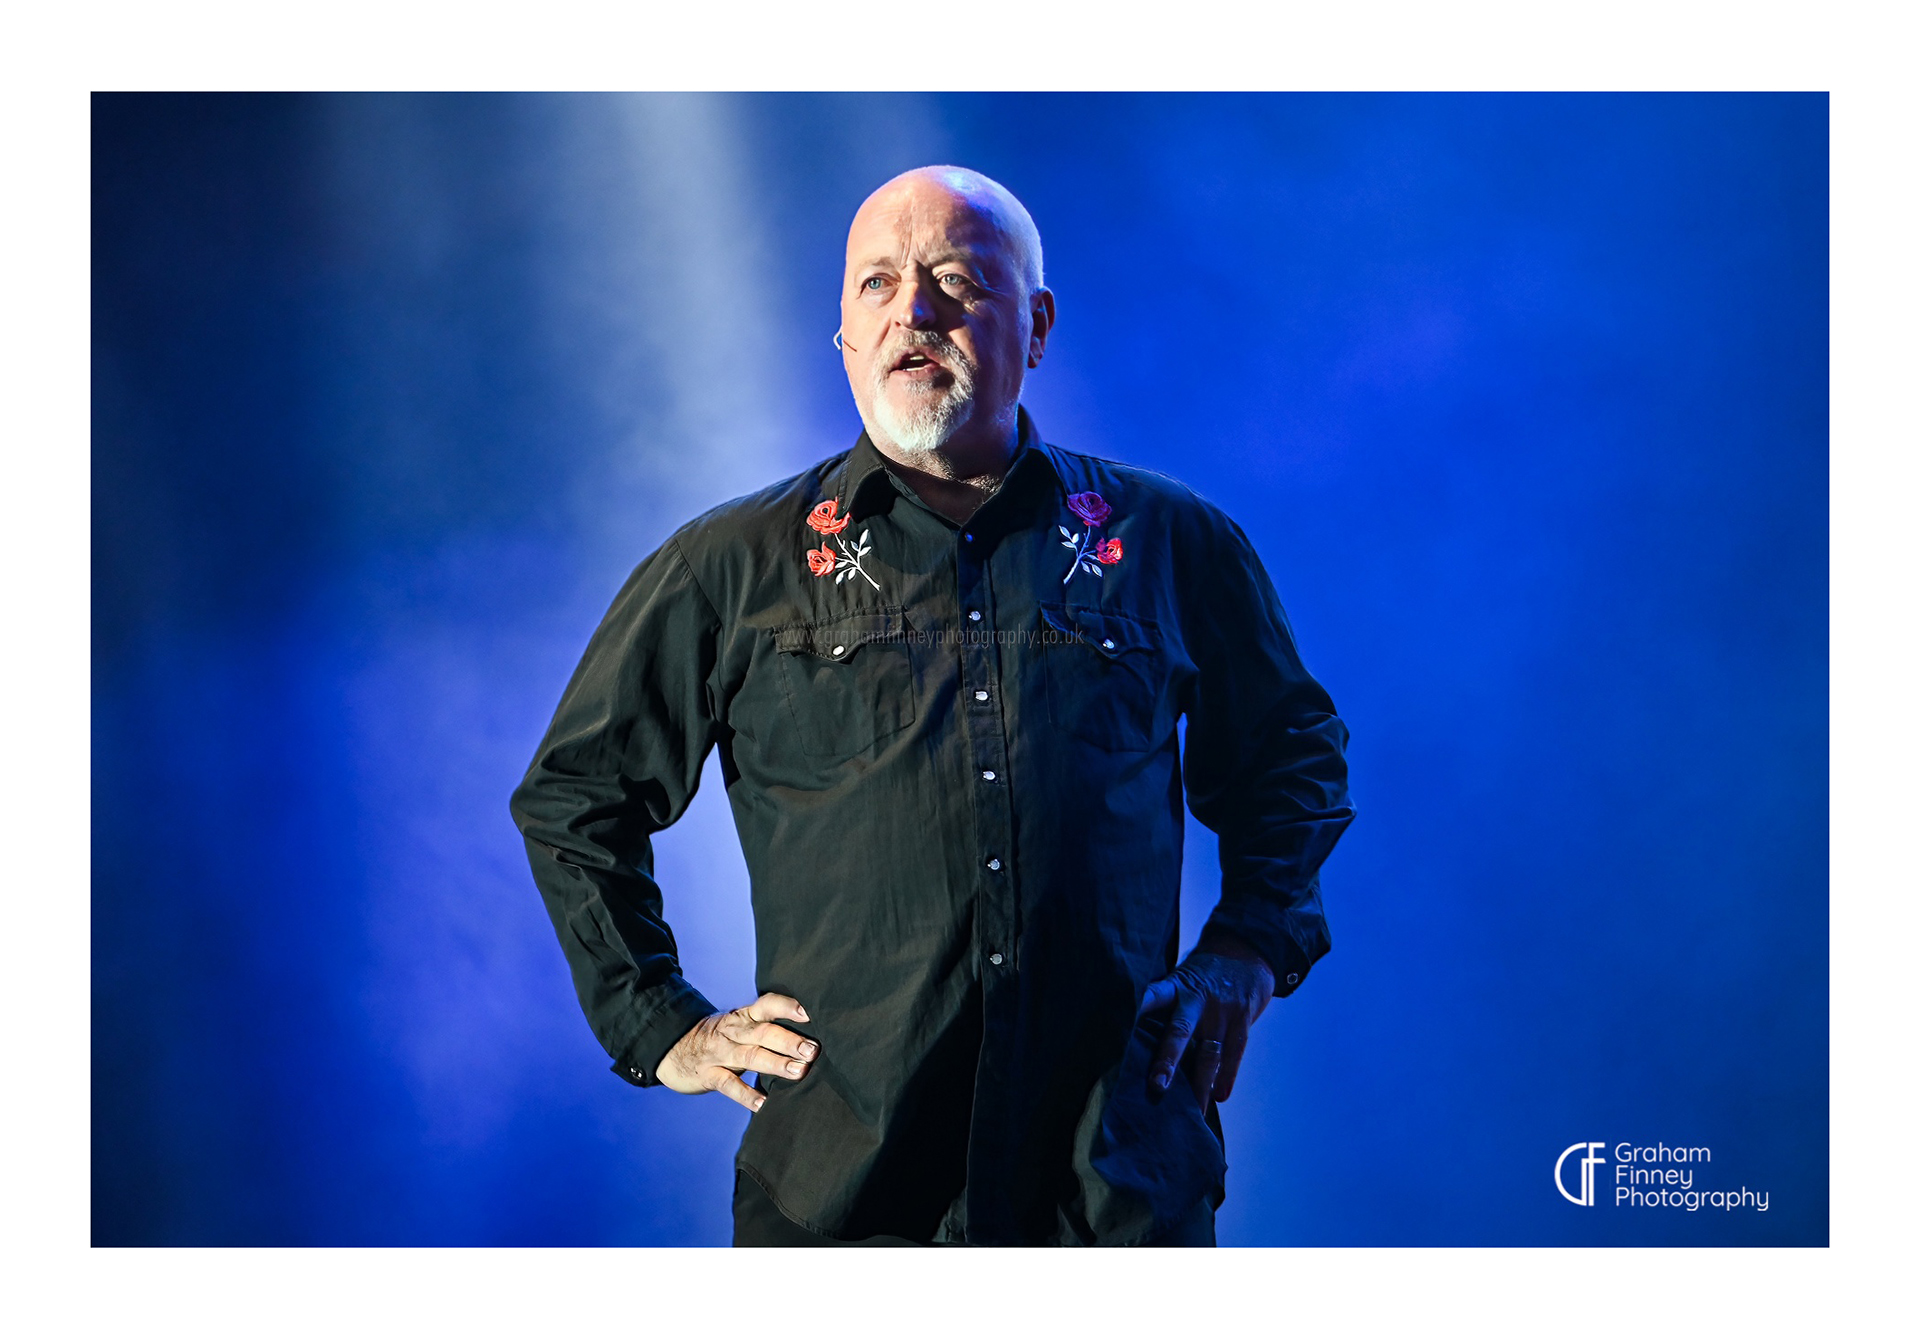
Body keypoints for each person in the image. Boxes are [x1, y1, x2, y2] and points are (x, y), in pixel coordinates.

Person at [510, 165, 1353, 1247]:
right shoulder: (730, 566)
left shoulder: (1169, 543)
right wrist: (657, 1020)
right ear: (845, 338)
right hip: (844, 1204)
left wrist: (1247, 947)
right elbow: (576, 795)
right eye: (878, 285)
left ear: (1036, 326)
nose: (914, 311)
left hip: (1110, 1195)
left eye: (957, 279)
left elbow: (1292, 757)